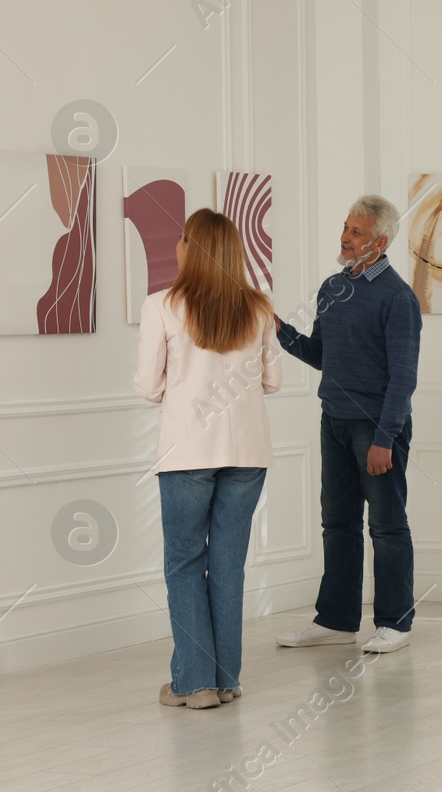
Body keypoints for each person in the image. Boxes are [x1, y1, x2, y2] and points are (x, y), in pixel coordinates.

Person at [134, 209, 281, 709]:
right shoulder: (259, 307)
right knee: (228, 565)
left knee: (184, 564)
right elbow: (274, 381)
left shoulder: (161, 305)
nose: (176, 244)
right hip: (248, 452)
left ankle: (193, 684)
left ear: (191, 248)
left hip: (186, 452)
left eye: (181, 238)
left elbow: (147, 386)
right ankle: (225, 680)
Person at [275, 195, 422, 654]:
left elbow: (403, 378)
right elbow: (322, 356)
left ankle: (395, 622)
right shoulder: (331, 288)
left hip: (377, 428)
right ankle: (337, 620)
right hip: (334, 423)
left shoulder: (398, 297)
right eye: (345, 227)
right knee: (337, 523)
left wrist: (385, 439)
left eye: (356, 232)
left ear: (379, 242)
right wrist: (277, 327)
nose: (345, 237)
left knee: (386, 526)